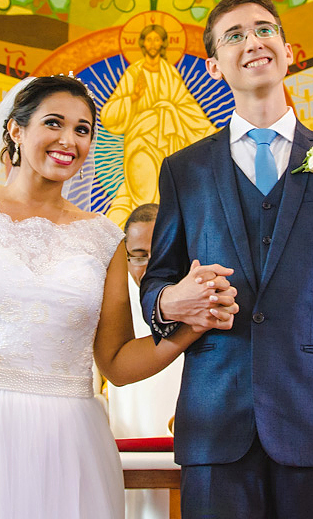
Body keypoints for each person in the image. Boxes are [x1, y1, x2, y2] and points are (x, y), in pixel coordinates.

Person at [0, 75, 238, 519]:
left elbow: (117, 364)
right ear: (16, 129)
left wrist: (192, 327)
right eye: (54, 123)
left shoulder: (104, 238)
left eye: (83, 129)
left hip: (65, 438)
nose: (68, 140)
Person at [140, 0, 313, 519]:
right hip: (216, 426)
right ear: (214, 65)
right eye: (233, 35)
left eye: (264, 30)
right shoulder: (183, 171)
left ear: (288, 50)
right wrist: (173, 300)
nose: (252, 42)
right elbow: (156, 283)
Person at [106, 203, 183, 519]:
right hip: (129, 434)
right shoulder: (112, 305)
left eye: (159, 253)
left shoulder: (194, 303)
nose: (149, 266)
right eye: (137, 256)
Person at [101, 23, 214, 227]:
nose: (153, 44)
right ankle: (139, 242)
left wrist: (210, 133)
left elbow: (185, 103)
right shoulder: (134, 73)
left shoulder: (169, 72)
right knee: (142, 188)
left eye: (157, 39)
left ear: (163, 43)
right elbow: (110, 114)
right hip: (141, 140)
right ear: (142, 43)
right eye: (149, 39)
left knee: (167, 193)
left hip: (168, 143)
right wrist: (132, 98)